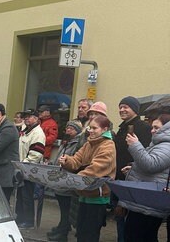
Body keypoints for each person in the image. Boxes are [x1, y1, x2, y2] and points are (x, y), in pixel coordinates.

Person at [59, 115, 116, 242]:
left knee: (90, 234)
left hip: (97, 197)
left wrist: (74, 180)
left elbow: (95, 169)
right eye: (90, 127)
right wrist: (67, 160)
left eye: (94, 128)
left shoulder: (108, 145)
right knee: (81, 232)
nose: (91, 130)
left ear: (105, 129)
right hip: (84, 193)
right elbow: (76, 160)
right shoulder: (88, 143)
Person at [120, 113, 170, 242]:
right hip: (145, 201)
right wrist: (133, 168)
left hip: (149, 203)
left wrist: (135, 145)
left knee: (138, 236)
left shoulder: (167, 145)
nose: (152, 130)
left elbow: (151, 164)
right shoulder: (159, 144)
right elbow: (155, 167)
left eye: (156, 127)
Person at [113, 96, 152, 242]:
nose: (122, 109)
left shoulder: (143, 127)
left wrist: (133, 167)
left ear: (135, 109)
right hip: (119, 178)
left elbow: (145, 152)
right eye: (120, 106)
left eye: (126, 107)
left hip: (132, 179)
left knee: (128, 218)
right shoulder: (122, 127)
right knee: (119, 216)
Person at [47, 120, 84, 241]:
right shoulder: (66, 142)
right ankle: (61, 227)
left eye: (71, 129)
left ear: (77, 131)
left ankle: (63, 232)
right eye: (67, 128)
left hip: (68, 179)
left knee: (66, 208)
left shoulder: (77, 143)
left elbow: (74, 160)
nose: (68, 130)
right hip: (60, 178)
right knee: (63, 208)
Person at [15, 109, 46, 229]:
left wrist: (23, 165)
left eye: (29, 116)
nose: (26, 118)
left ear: (37, 118)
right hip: (22, 167)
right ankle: (20, 217)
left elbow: (36, 154)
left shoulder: (38, 133)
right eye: (25, 116)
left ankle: (28, 221)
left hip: (30, 169)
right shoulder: (25, 130)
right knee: (20, 196)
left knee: (27, 196)